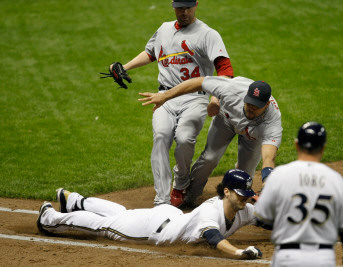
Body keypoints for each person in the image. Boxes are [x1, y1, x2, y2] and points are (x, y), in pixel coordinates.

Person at [112, 0, 233, 207]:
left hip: (195, 98)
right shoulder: (164, 29)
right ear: (173, 6)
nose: (184, 12)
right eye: (180, 8)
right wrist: (126, 66)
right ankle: (162, 200)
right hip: (164, 97)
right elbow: (151, 53)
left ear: (196, 5)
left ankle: (182, 180)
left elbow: (225, 69)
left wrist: (216, 97)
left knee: (184, 138)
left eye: (188, 7)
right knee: (160, 137)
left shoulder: (207, 34)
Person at [37, 169, 263, 260]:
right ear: (226, 192)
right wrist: (239, 252)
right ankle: (50, 220)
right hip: (151, 230)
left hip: (169, 216)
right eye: (241, 194)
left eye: (247, 194)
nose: (246, 198)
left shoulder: (243, 209)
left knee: (123, 214)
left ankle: (74, 201)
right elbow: (215, 239)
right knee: (105, 225)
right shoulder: (210, 212)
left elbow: (266, 220)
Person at [139, 76, 282, 207]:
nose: (251, 107)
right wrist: (165, 96)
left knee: (245, 175)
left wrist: (268, 182)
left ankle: (232, 208)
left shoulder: (272, 121)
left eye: (256, 106)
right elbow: (198, 82)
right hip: (225, 121)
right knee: (210, 158)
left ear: (267, 104)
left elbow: (269, 157)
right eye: (249, 102)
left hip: (252, 137)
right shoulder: (232, 89)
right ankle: (190, 196)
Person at [254, 122, 343, 267]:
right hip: (323, 259)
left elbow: (261, 218)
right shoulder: (335, 179)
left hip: (287, 258)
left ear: (296, 145)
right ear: (323, 147)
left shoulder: (279, 175)